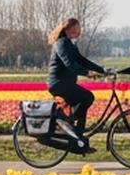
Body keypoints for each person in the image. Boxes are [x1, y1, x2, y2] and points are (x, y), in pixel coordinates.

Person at [47, 17, 111, 153]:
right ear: (67, 29)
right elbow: (70, 64)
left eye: (78, 29)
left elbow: (81, 60)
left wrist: (101, 69)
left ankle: (79, 140)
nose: (77, 31)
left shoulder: (70, 43)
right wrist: (88, 73)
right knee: (87, 97)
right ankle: (69, 127)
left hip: (65, 83)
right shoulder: (61, 43)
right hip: (58, 83)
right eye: (75, 29)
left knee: (83, 102)